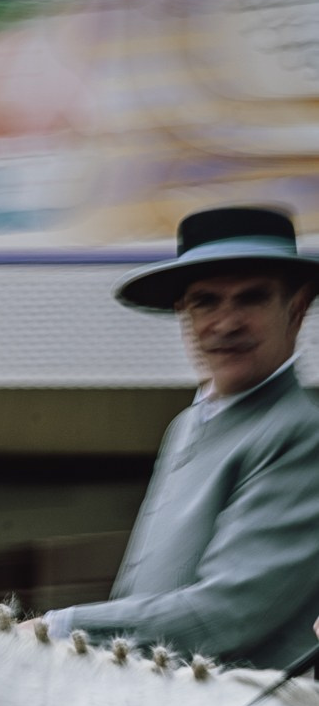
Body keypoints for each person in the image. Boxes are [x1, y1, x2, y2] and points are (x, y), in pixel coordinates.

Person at [33, 206, 319, 667]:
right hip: (163, 705)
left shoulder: (302, 432)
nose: (226, 323)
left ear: (297, 308)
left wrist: (64, 628)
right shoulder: (189, 423)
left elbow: (230, 612)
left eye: (251, 298)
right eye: (206, 301)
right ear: (182, 312)